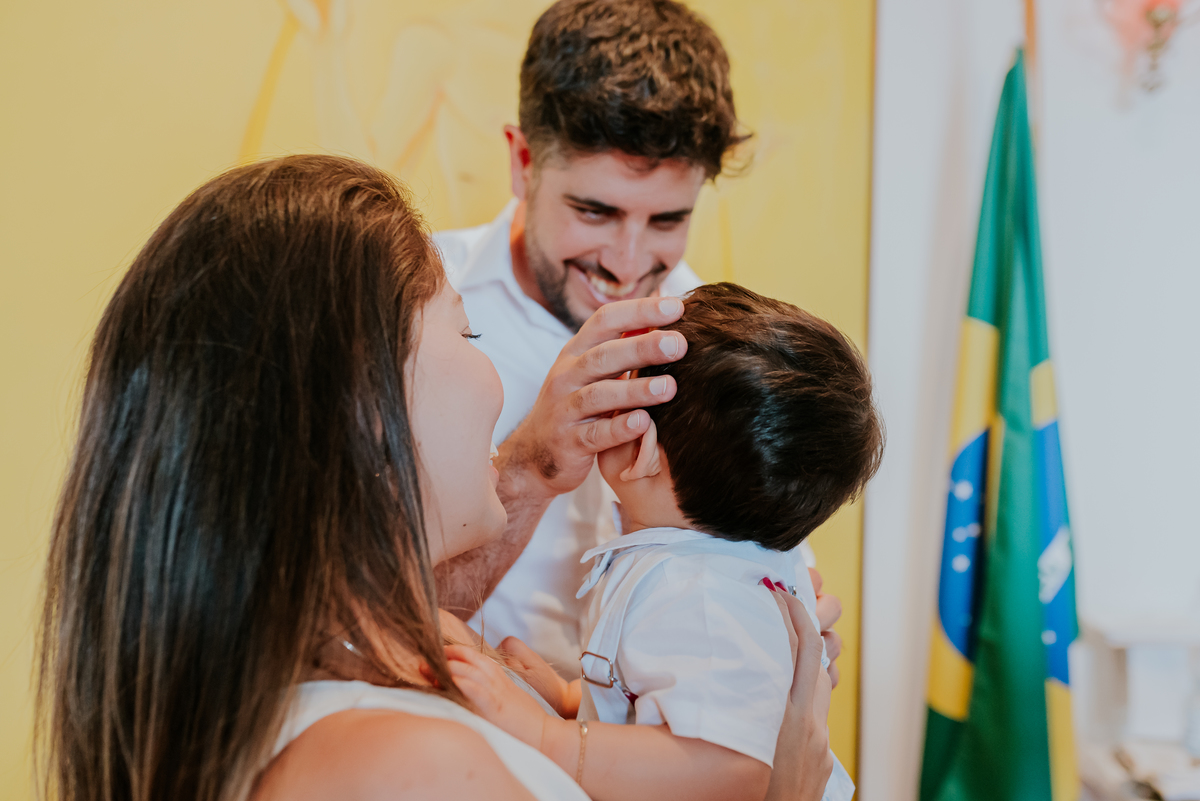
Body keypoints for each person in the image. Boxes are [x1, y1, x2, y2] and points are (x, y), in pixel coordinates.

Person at [36, 155, 834, 801]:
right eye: (467, 327)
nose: (504, 377)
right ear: (367, 409)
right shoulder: (403, 767)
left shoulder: (371, 665)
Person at [432, 0, 845, 687]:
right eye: (595, 211)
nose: (627, 263)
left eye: (666, 220)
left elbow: (775, 588)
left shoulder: (715, 340)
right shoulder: (411, 313)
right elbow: (370, 628)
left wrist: (798, 633)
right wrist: (530, 464)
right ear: (523, 160)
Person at [441, 283, 882, 801]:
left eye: (624, 383)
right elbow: (667, 693)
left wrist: (551, 738)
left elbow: (729, 767)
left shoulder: (695, 593)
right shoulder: (714, 565)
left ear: (641, 443)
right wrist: (569, 698)